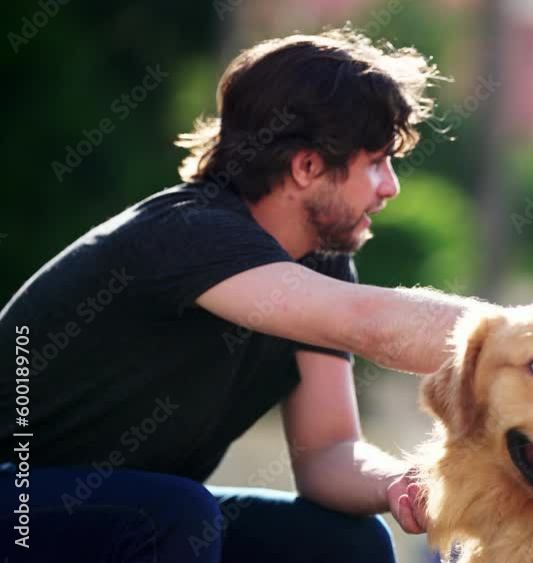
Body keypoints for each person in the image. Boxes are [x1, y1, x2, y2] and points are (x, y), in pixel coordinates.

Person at [0, 27, 464, 562]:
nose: (391, 186)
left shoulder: (323, 259)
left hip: (127, 514)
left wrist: (398, 482)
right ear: (307, 166)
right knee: (172, 514)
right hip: (16, 506)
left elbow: (329, 453)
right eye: (377, 162)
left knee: (344, 544)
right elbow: (372, 324)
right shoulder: (191, 231)